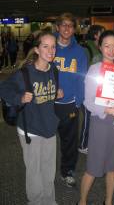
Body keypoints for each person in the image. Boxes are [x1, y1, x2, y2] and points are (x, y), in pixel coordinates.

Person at [0, 31, 63, 205]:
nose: (51, 51)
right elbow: (4, 88)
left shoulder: (54, 70)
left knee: (49, 170)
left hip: (49, 127)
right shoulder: (25, 74)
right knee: (34, 171)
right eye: (45, 46)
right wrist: (19, 98)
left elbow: (48, 94)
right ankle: (36, 201)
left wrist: (56, 94)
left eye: (53, 47)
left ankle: (49, 201)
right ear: (36, 49)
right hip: (31, 130)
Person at [78, 30, 114, 205]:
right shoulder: (94, 70)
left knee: (113, 166)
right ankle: (82, 201)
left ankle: (109, 201)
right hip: (101, 124)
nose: (111, 50)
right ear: (100, 47)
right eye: (107, 46)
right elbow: (88, 102)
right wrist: (108, 110)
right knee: (93, 167)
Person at [53, 12, 88, 188]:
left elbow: (82, 78)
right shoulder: (48, 46)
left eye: (70, 25)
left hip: (69, 105)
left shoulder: (80, 52)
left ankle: (67, 172)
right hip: (48, 105)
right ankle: (45, 173)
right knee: (46, 141)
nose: (67, 28)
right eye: (63, 25)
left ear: (74, 29)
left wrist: (78, 101)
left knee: (69, 142)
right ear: (57, 27)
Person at [78, 24, 105, 154]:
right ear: (96, 35)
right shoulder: (87, 48)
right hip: (87, 88)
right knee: (88, 117)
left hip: (96, 87)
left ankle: (89, 142)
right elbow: (83, 70)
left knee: (91, 116)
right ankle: (83, 145)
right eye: (102, 33)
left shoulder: (97, 49)